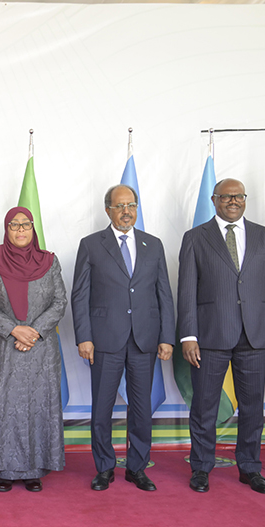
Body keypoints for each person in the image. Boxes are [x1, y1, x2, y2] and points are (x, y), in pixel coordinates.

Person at [177, 178, 265, 494]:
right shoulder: (195, 238)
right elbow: (186, 290)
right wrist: (188, 335)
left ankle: (250, 468)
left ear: (245, 199)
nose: (233, 201)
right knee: (204, 407)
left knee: (253, 406)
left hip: (256, 336)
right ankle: (201, 468)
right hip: (211, 335)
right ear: (214, 200)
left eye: (238, 196)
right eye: (226, 196)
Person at [71, 184, 175, 492]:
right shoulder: (91, 245)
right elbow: (80, 295)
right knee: (102, 407)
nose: (126, 211)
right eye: (119, 206)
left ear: (137, 208)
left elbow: (164, 294)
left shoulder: (153, 245)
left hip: (145, 339)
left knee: (141, 408)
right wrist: (84, 336)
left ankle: (137, 468)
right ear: (108, 210)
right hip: (104, 339)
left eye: (131, 205)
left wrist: (167, 336)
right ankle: (104, 468)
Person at [0, 207, 67, 492]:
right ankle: (4, 470)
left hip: (40, 349)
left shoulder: (49, 262)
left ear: (32, 228)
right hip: (1, 349)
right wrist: (14, 329)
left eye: (25, 224)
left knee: (37, 406)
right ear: (6, 229)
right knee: (2, 406)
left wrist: (34, 331)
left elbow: (60, 302)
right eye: (14, 225)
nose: (21, 230)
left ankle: (34, 470)